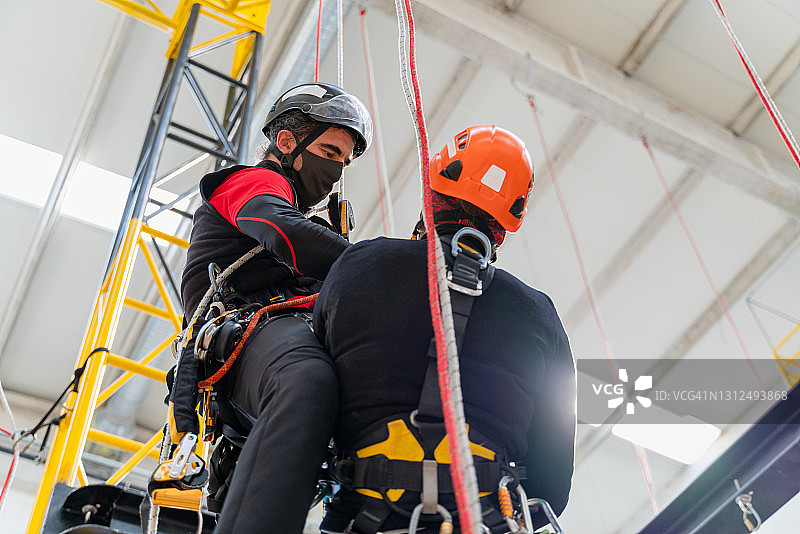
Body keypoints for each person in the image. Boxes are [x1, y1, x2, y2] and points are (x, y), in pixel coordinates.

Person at [313, 126, 576, 533]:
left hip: (361, 519)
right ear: (503, 229)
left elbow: (307, 400)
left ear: (430, 196)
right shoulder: (539, 314)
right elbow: (552, 488)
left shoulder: (360, 265)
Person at [167, 82, 373, 534]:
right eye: (330, 151)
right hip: (244, 333)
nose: (337, 169)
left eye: (345, 161)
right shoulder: (254, 182)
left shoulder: (301, 214)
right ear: (287, 142)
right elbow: (282, 231)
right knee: (308, 379)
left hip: (274, 341)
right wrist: (377, 263)